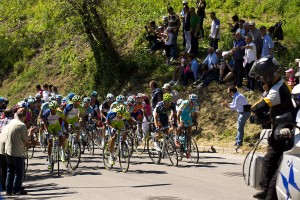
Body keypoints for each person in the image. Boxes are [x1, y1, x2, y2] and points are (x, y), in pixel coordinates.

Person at [249, 56, 295, 200]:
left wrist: (253, 109)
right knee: (270, 160)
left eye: (261, 76)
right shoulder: (278, 85)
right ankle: (265, 189)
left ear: (268, 74)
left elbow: (263, 103)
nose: (260, 79)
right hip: (280, 127)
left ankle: (270, 193)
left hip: (284, 130)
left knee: (276, 162)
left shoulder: (278, 88)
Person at [3, 108, 36, 195]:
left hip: (8, 150)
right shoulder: (22, 125)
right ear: (25, 116)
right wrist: (30, 133)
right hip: (17, 151)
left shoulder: (12, 122)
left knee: (10, 171)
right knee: (19, 172)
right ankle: (16, 189)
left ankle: (8, 190)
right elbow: (26, 140)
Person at [42, 101, 66, 169]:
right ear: (50, 109)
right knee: (50, 142)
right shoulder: (46, 113)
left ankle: (60, 150)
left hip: (57, 126)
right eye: (52, 110)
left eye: (55, 109)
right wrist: (46, 131)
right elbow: (44, 123)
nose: (54, 111)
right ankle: (49, 160)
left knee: (61, 137)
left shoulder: (59, 112)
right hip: (49, 127)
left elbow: (64, 120)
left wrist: (65, 129)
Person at [0, 109, 13, 191]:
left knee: (3, 167)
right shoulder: (12, 122)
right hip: (8, 144)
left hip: (0, 143)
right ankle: (10, 185)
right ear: (11, 114)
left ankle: (3, 186)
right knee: (11, 167)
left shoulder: (0, 121)